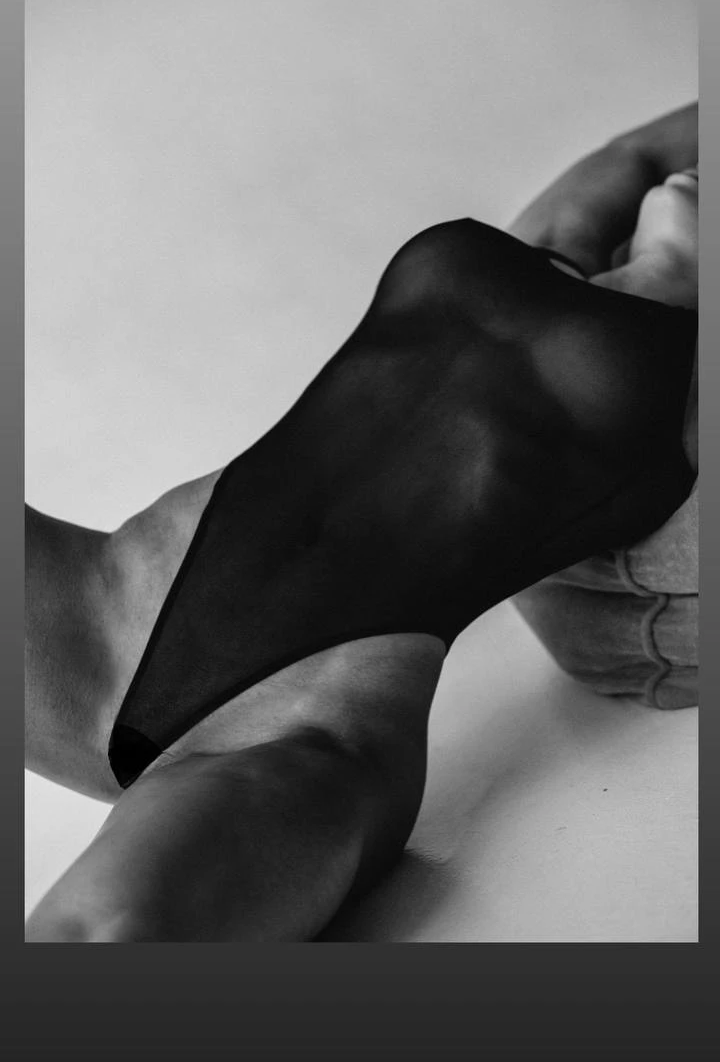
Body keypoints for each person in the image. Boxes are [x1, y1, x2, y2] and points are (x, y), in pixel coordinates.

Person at [25, 103, 698, 942]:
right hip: (106, 612)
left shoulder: (685, 385)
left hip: (299, 732)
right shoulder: (571, 238)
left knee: (103, 938)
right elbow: (631, 150)